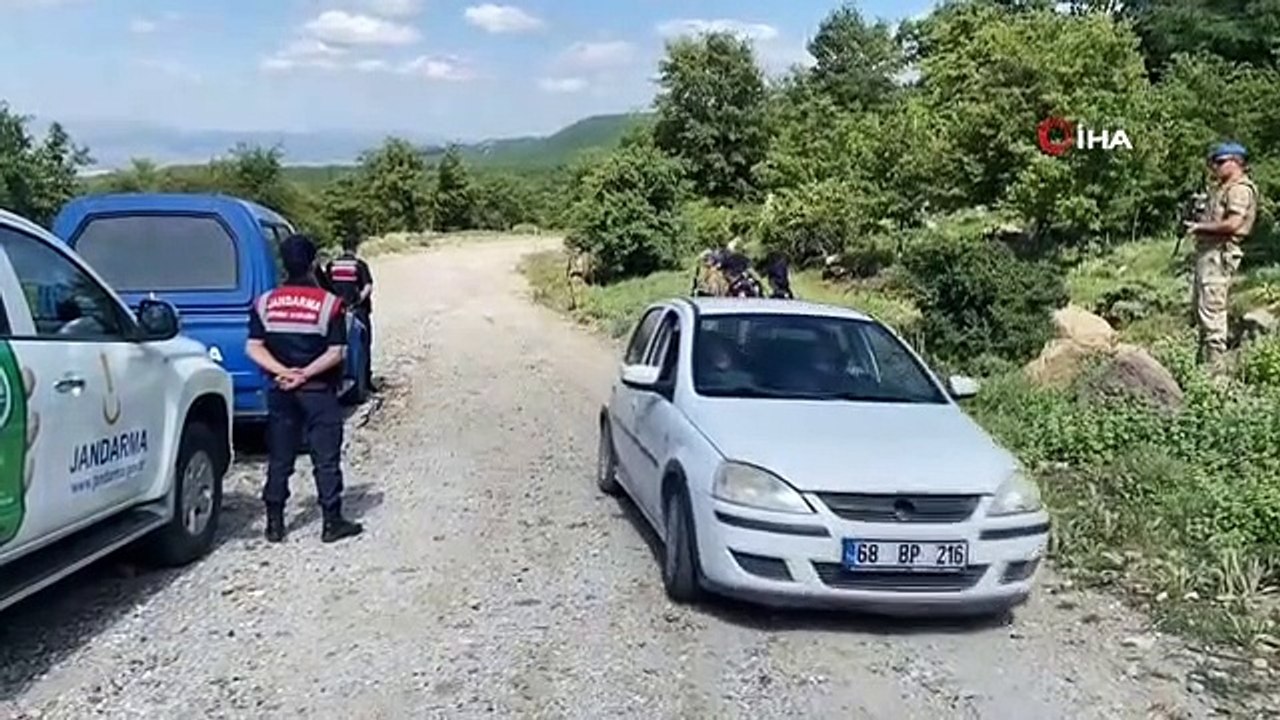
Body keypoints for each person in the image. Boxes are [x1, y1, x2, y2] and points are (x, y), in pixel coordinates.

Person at [246, 234, 364, 544]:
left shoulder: (265, 303)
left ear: (283, 263)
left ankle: (274, 524)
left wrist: (284, 372)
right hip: (318, 390)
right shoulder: (330, 304)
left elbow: (254, 347)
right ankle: (331, 521)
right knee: (325, 456)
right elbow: (336, 352)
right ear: (313, 263)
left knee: (280, 456)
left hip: (280, 389)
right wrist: (304, 374)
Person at [1184, 142, 1259, 371]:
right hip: (1209, 255)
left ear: (1235, 162)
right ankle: (1203, 370)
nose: (1213, 167)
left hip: (1219, 255)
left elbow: (1233, 224)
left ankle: (1216, 379)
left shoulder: (1239, 189)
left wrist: (1200, 228)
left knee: (1212, 315)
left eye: (1218, 162)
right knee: (1202, 313)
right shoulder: (1222, 188)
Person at [324, 234, 377, 392]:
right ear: (356, 247)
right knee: (363, 344)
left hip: (336, 311)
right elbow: (367, 286)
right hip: (357, 310)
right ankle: (365, 381)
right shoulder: (359, 265)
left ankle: (337, 380)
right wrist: (358, 300)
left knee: (337, 345)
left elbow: (326, 287)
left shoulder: (331, 265)